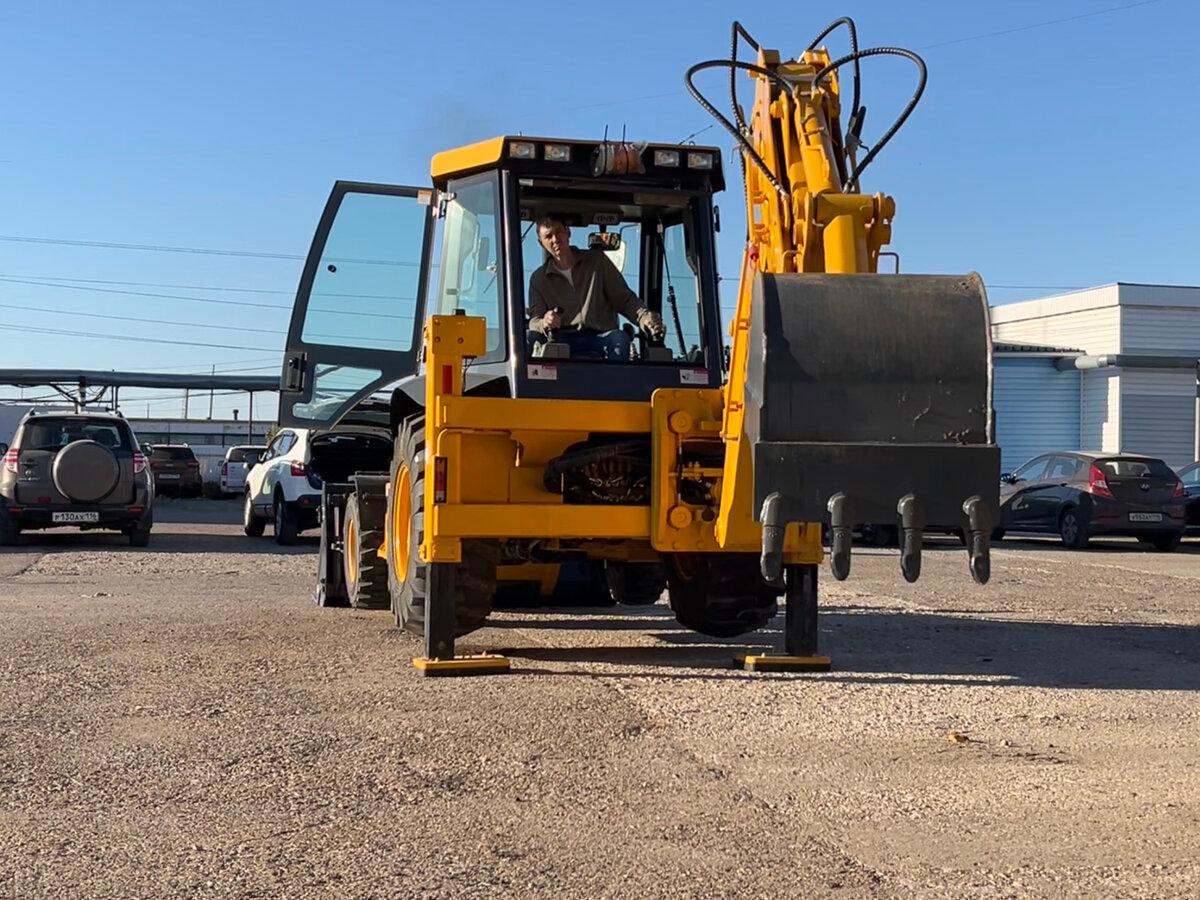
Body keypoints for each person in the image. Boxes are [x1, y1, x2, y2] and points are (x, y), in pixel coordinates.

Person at [527, 215, 665, 360]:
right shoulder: (538, 279)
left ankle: (617, 375)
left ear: (568, 232)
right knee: (530, 338)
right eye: (548, 236)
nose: (555, 239)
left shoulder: (597, 262)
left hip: (601, 337)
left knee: (620, 338)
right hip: (563, 340)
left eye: (558, 232)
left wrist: (645, 318)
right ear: (541, 243)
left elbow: (624, 300)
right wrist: (545, 322)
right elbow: (534, 322)